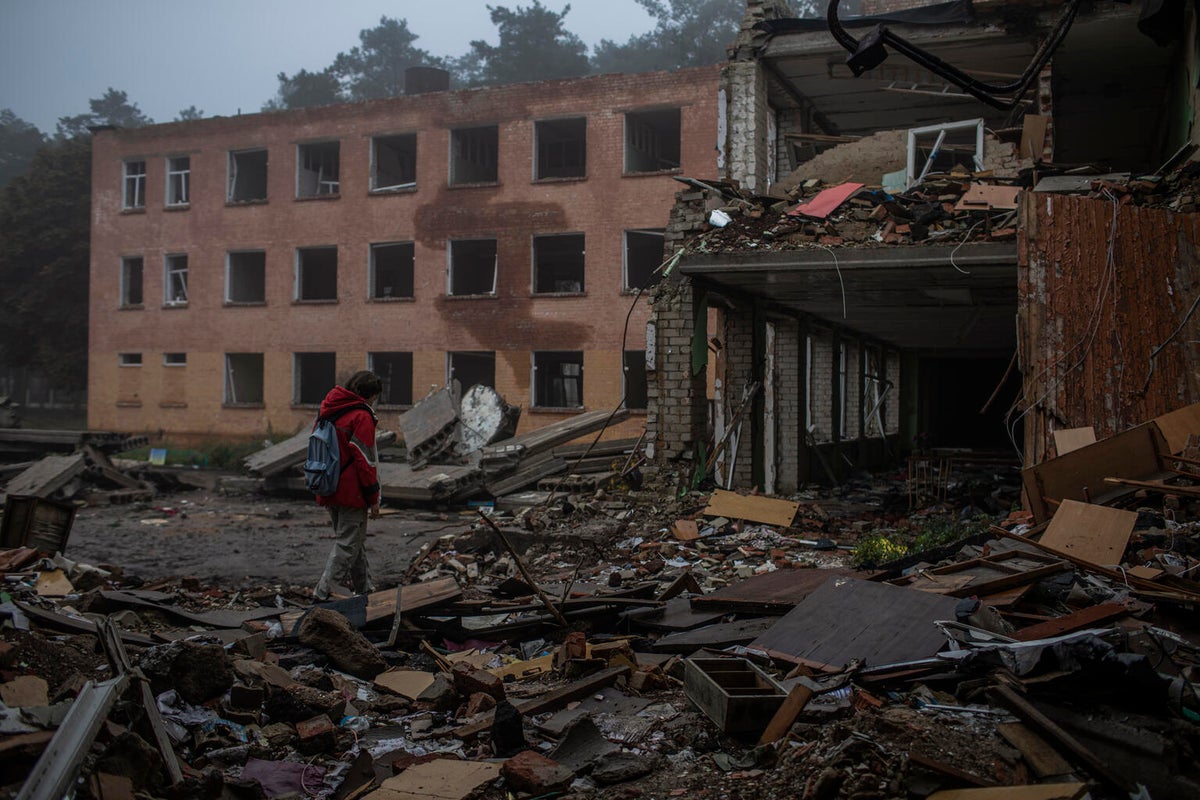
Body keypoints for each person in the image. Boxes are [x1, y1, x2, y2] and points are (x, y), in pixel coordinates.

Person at [312, 370, 383, 601]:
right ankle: (322, 593)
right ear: (370, 394)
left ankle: (365, 590)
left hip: (328, 484)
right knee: (347, 544)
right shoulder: (361, 416)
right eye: (375, 396)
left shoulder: (329, 409)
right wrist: (373, 497)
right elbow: (365, 462)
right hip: (352, 491)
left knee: (354, 541)